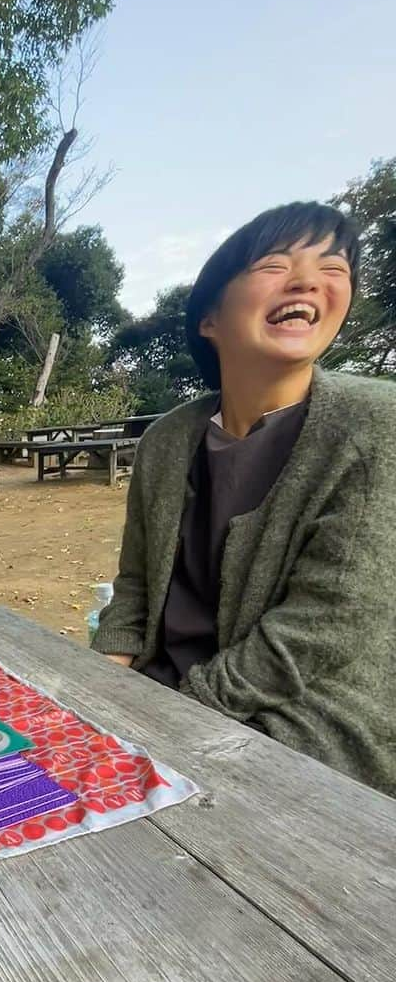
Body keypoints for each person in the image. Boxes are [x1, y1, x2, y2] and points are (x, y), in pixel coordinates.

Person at [92, 202, 396, 795]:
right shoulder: (166, 440)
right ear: (210, 317)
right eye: (276, 264)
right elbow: (134, 590)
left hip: (304, 728)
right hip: (163, 697)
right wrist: (95, 687)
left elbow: (321, 633)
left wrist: (168, 720)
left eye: (332, 268)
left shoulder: (377, 428)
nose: (308, 280)